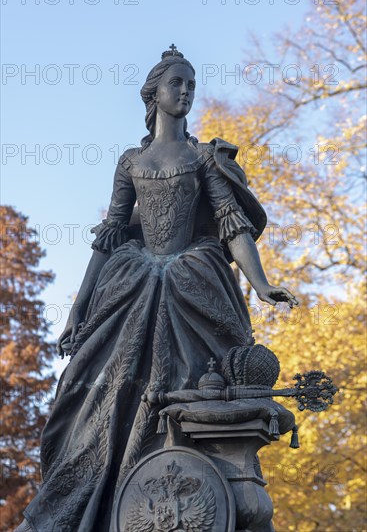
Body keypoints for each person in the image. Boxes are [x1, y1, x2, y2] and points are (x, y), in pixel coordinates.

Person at [17, 46, 298, 531]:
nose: (185, 92)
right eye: (177, 84)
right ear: (153, 94)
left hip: (193, 280)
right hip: (131, 283)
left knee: (192, 381)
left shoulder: (204, 158)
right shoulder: (130, 162)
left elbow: (232, 227)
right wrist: (76, 311)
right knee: (101, 392)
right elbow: (108, 239)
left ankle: (180, 474)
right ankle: (107, 493)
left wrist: (262, 284)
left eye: (192, 85)